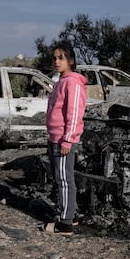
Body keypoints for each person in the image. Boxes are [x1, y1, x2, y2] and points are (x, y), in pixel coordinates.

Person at [43, 41, 87, 236]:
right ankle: (69, 213)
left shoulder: (73, 82)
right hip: (55, 137)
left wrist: (68, 140)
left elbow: (75, 113)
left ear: (71, 60)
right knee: (60, 177)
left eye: (61, 58)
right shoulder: (61, 81)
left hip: (63, 140)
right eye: (55, 58)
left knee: (64, 179)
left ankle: (65, 224)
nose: (56, 61)